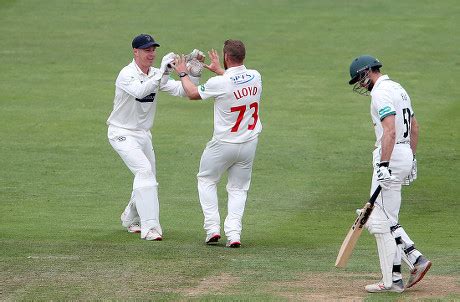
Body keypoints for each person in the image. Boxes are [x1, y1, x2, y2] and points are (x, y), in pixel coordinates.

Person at [107, 33, 203, 241]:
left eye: (153, 50)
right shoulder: (126, 74)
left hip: (143, 134)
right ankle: (149, 228)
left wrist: (191, 75)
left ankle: (130, 217)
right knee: (144, 172)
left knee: (147, 178)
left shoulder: (154, 73)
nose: (151, 53)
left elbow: (183, 92)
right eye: (147, 50)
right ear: (135, 51)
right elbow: (141, 92)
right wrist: (162, 72)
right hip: (121, 132)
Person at [348, 55, 432, 292]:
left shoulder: (381, 93)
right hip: (404, 154)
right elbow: (414, 126)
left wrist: (384, 164)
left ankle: (413, 260)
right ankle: (395, 278)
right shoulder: (399, 88)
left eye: (359, 78)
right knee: (387, 217)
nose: (360, 84)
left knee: (378, 219)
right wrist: (412, 158)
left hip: (391, 156)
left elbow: (390, 131)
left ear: (368, 72)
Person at [172, 40, 262, 248]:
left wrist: (183, 73)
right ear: (243, 57)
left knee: (206, 180)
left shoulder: (219, 83)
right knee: (238, 189)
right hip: (248, 144)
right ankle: (234, 234)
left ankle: (213, 228)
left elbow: (193, 94)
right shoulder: (256, 77)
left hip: (223, 144)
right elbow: (236, 82)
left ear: (226, 56)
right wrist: (220, 71)